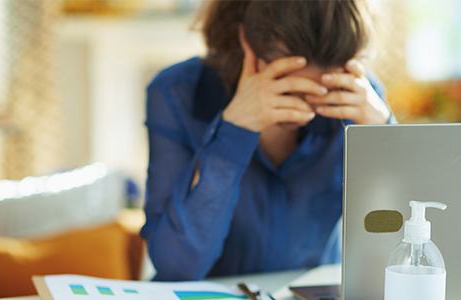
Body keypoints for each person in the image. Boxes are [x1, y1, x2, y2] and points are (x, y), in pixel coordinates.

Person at [141, 0, 396, 281]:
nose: (305, 110)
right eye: (289, 89)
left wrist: (385, 137)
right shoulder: (177, 93)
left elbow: (406, 242)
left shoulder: (360, 99)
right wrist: (233, 131)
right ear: (246, 43)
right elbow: (178, 266)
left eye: (323, 91)